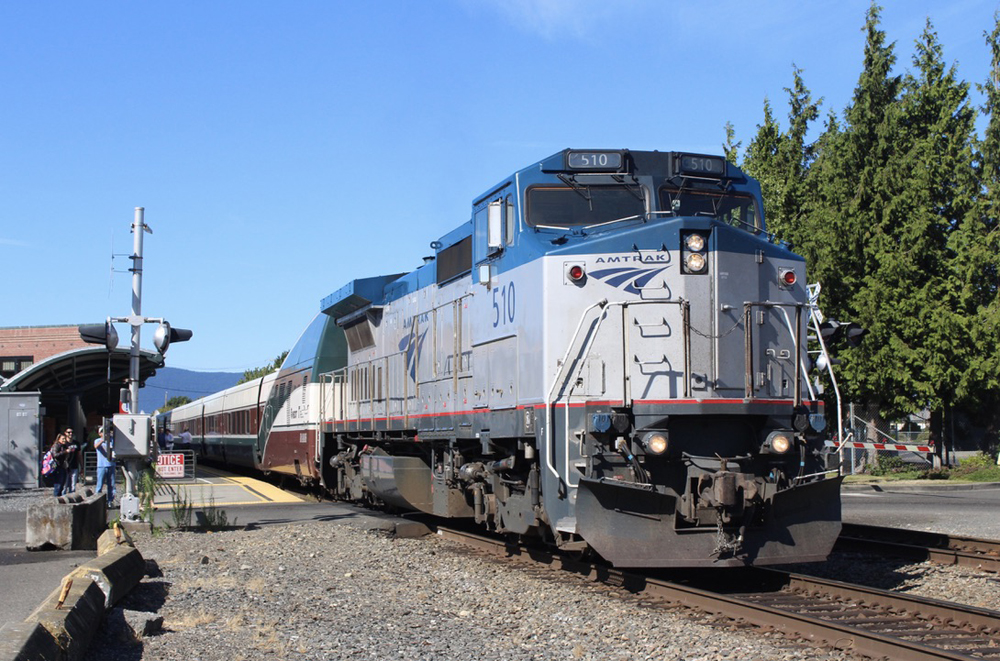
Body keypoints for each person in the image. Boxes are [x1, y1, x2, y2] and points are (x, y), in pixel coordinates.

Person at [50, 428, 77, 497]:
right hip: (57, 467)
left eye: (65, 439)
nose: (64, 440)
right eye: (62, 439)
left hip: (63, 467)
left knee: (62, 484)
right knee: (58, 485)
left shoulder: (64, 446)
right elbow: (55, 454)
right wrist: (65, 452)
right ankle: (56, 499)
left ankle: (59, 498)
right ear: (58, 439)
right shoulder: (56, 445)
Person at [94, 425, 116, 506]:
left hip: (111, 465)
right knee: (100, 483)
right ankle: (97, 500)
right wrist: (102, 440)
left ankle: (110, 501)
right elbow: (96, 446)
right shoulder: (97, 440)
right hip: (101, 465)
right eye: (102, 432)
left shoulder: (112, 440)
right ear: (100, 433)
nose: (105, 433)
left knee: (111, 484)